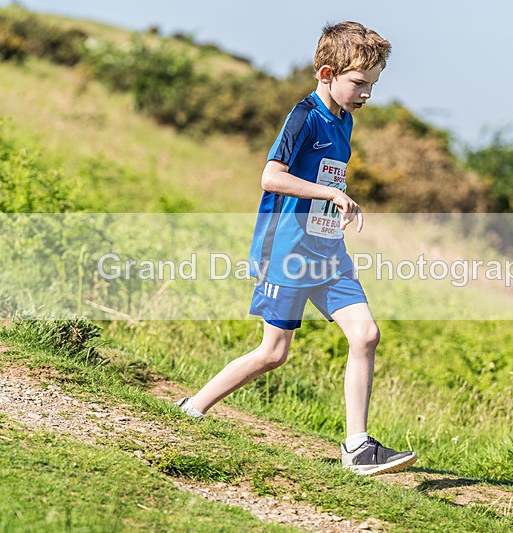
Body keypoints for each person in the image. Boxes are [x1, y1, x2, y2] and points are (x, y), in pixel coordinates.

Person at [173, 21, 417, 476]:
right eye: (359, 83)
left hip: (328, 252)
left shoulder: (345, 121)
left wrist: (336, 204)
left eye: (373, 85)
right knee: (273, 353)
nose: (367, 94)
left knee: (366, 335)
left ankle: (357, 448)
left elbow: (323, 178)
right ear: (327, 74)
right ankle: (191, 408)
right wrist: (331, 195)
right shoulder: (304, 116)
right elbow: (271, 177)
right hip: (287, 251)